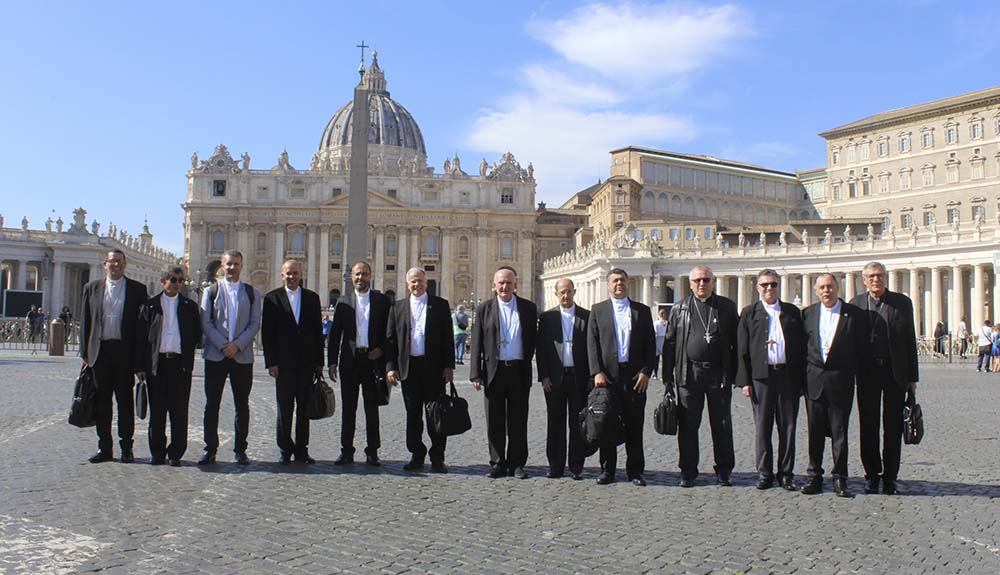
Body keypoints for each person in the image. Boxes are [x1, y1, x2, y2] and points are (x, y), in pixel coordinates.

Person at [663, 265, 739, 488]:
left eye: (706, 280)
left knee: (722, 424)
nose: (702, 284)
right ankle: (688, 471)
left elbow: (736, 343)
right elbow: (669, 344)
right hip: (689, 374)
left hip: (718, 373)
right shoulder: (679, 309)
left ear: (713, 282)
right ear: (690, 283)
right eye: (697, 280)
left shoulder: (726, 307)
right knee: (688, 425)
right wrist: (668, 379)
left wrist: (733, 374)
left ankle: (724, 470)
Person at [850, 262, 919, 496]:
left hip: (894, 372)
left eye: (879, 275)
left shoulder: (901, 303)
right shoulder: (856, 304)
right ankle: (871, 474)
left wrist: (912, 378)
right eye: (871, 276)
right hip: (867, 373)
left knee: (893, 427)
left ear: (885, 278)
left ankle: (890, 477)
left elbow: (910, 341)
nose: (876, 279)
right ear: (864, 280)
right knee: (868, 426)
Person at [736, 269, 807, 491]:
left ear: (779, 286)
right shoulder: (749, 313)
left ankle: (785, 473)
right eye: (765, 285)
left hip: (787, 376)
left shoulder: (792, 312)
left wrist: (802, 380)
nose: (769, 288)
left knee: (788, 426)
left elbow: (803, 347)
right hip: (761, 378)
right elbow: (742, 348)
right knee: (762, 427)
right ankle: (764, 473)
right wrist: (744, 381)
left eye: (773, 284)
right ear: (758, 287)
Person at [801, 273, 869, 497]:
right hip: (814, 382)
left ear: (837, 288)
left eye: (830, 286)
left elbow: (861, 350)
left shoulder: (854, 315)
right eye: (821, 287)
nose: (826, 291)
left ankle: (840, 477)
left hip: (841, 382)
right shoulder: (807, 314)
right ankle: (814, 476)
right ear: (815, 291)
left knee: (840, 432)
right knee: (814, 432)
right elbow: (802, 350)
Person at [587, 268, 656, 486]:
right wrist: (596, 371)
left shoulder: (642, 311)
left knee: (635, 425)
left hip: (635, 377)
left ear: (628, 283)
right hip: (607, 377)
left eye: (623, 280)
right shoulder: (598, 310)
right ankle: (607, 470)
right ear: (608, 285)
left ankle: (635, 471)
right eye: (615, 281)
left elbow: (651, 346)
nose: (619, 284)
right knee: (606, 423)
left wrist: (646, 371)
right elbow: (592, 343)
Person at [80, 249, 149, 463]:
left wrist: (140, 361)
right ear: (104, 264)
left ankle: (126, 448)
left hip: (124, 353)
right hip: (100, 352)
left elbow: (142, 328)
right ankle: (104, 448)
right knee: (102, 403)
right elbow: (85, 322)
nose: (115, 265)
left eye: (119, 261)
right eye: (112, 262)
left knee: (125, 402)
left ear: (125, 264)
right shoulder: (92, 289)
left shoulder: (138, 290)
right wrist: (85, 353)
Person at [471, 266, 538, 479]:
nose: (504, 286)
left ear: (515, 285)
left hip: (518, 369)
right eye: (500, 283)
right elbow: (477, 342)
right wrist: (475, 373)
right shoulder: (484, 309)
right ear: (494, 285)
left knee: (518, 419)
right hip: (494, 370)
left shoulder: (528, 308)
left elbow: (535, 341)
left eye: (508, 282)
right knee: (494, 419)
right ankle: (497, 462)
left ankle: (517, 463)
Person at [385, 268, 455, 472]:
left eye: (421, 281)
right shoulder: (397, 307)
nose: (417, 285)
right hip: (409, 368)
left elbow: (447, 338)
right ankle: (417, 454)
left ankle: (437, 457)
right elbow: (390, 340)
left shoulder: (440, 305)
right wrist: (391, 367)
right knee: (412, 415)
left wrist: (449, 366)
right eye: (413, 282)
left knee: (436, 415)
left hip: (433, 368)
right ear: (408, 284)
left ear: (427, 282)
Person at [198, 250, 262, 466]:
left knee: (242, 405)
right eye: (229, 264)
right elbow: (205, 322)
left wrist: (237, 345)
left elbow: (255, 324)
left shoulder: (252, 293)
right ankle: (210, 449)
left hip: (241, 356)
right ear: (222, 266)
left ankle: (240, 449)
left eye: (236, 264)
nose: (232, 268)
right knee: (211, 404)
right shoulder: (211, 291)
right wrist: (223, 345)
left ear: (241, 266)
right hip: (216, 355)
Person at [134, 265, 202, 466]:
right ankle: (157, 451)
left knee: (179, 411)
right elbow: (141, 338)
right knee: (158, 410)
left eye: (181, 280)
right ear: (163, 281)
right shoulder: (150, 306)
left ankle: (176, 453)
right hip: (157, 364)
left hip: (180, 364)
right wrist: (139, 367)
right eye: (173, 279)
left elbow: (197, 335)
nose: (177, 284)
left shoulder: (189, 306)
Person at [327, 261, 391, 465]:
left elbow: (389, 333)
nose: (360, 278)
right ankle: (347, 450)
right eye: (357, 274)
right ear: (351, 276)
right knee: (349, 408)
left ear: (370, 275)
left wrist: (381, 349)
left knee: (372, 408)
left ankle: (372, 451)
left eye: (363, 274)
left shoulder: (382, 300)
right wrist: (331, 362)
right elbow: (335, 334)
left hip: (372, 361)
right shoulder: (343, 301)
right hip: (349, 361)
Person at [263, 259, 325, 465]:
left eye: (295, 273)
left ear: (301, 274)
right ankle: (284, 448)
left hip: (307, 363)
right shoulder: (272, 299)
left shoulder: (312, 298)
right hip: (283, 364)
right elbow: (267, 334)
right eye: (288, 273)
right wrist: (271, 362)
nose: (292, 276)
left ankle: (302, 449)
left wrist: (319, 362)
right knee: (284, 408)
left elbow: (318, 332)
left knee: (304, 408)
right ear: (282, 275)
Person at [536, 278, 590, 480]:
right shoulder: (547, 317)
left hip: (578, 377)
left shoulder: (586, 316)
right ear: (556, 294)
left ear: (574, 292)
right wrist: (544, 376)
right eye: (562, 292)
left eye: (568, 291)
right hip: (555, 378)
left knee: (578, 424)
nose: (565, 296)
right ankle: (555, 465)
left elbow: (592, 350)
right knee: (555, 422)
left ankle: (576, 466)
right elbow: (541, 349)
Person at [653, 308, 668, 379]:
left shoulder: (656, 323)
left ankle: (655, 374)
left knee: (656, 359)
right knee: (665, 360)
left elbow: (655, 332)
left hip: (657, 340)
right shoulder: (667, 323)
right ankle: (664, 375)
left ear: (659, 315)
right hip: (665, 340)